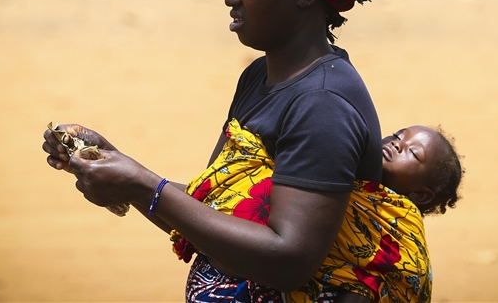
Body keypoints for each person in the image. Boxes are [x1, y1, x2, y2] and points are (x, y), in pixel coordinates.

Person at [43, 0, 385, 301]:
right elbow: (211, 213)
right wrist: (116, 166)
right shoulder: (259, 77)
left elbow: (290, 260)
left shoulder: (321, 104)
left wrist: (142, 184)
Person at [169, 121, 463, 303]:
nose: (397, 145)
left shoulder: (399, 231)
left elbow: (391, 282)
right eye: (398, 135)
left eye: (412, 153)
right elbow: (234, 210)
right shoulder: (335, 182)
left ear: (421, 194)